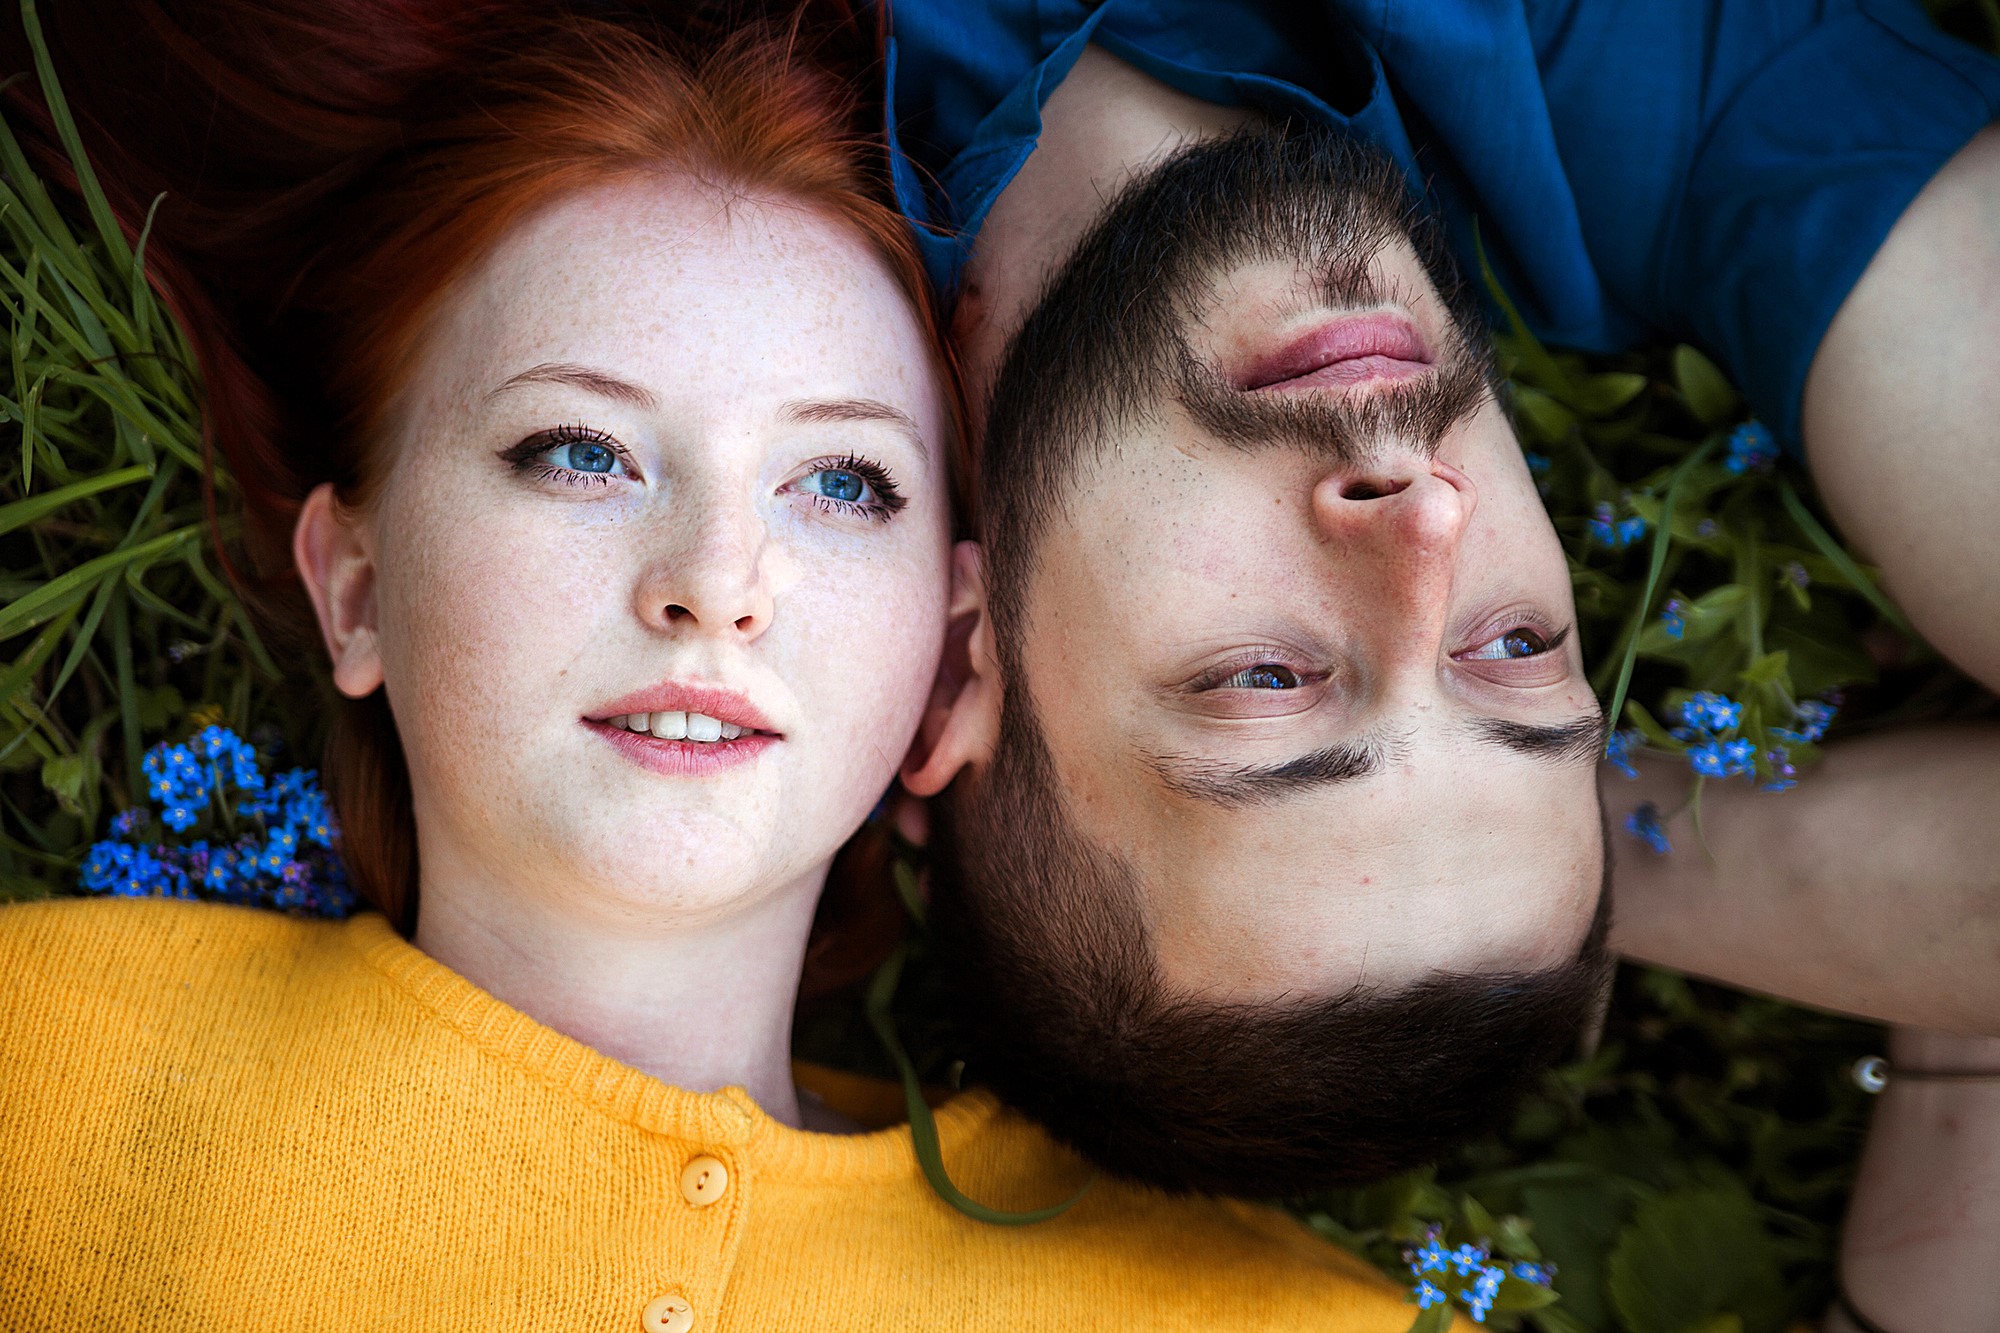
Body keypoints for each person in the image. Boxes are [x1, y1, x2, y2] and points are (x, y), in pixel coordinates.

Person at [0, 7, 1433, 1328]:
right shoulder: (40, 1072)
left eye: (843, 483)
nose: (714, 584)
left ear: (950, 655)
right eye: (579, 452)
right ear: (357, 589)